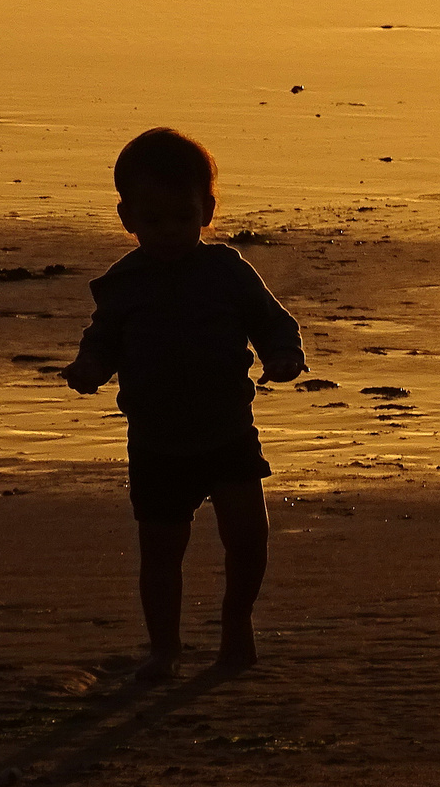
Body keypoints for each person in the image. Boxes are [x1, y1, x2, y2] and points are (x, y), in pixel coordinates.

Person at [61, 128, 305, 682]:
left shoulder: (226, 270)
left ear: (207, 210)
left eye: (182, 215)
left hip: (227, 431)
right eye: (153, 220)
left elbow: (271, 321)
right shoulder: (123, 284)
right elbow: (103, 340)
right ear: (127, 218)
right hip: (156, 441)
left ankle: (236, 621)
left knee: (247, 537)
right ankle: (164, 647)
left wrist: (284, 356)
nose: (169, 231)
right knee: (161, 551)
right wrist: (89, 370)